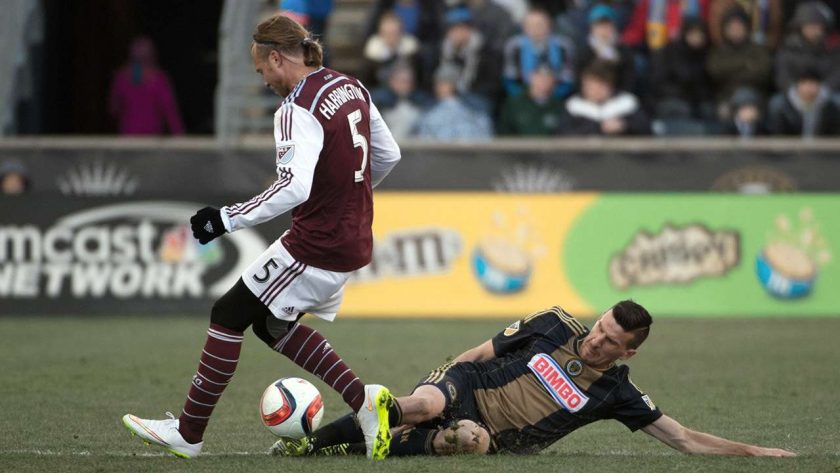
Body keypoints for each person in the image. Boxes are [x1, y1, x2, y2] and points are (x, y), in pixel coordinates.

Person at [121, 15, 402, 460]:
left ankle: (189, 434)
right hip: (350, 239)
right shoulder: (350, 86)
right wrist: (346, 199)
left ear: (276, 57)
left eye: (262, 71)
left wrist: (225, 219)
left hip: (316, 243)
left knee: (227, 312)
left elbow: (293, 188)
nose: (264, 81)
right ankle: (365, 402)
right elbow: (388, 155)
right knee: (272, 325)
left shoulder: (296, 107)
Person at [270, 302, 796, 458]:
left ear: (628, 352)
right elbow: (481, 351)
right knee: (423, 404)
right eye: (600, 328)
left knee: (469, 443)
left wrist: (758, 453)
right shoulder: (555, 323)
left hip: (492, 436)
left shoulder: (617, 392)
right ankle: (311, 444)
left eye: (611, 342)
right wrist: (442, 376)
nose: (596, 341)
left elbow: (682, 439)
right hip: (467, 383)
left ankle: (362, 446)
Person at [109, 36, 185, 136]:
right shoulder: (159, 79)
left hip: (129, 138)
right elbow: (170, 110)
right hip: (150, 140)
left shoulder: (121, 78)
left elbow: (114, 109)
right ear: (152, 56)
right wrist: (180, 135)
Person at [558, 60, 651, 135]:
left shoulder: (626, 103)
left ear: (609, 86)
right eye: (590, 86)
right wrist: (598, 128)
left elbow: (645, 129)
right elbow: (563, 134)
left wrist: (624, 125)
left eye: (599, 86)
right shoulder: (574, 106)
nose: (595, 91)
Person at [649, 17, 715, 123]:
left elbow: (707, 85)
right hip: (670, 98)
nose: (696, 38)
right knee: (680, 110)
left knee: (708, 110)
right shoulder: (669, 53)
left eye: (700, 35)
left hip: (697, 101)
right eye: (693, 34)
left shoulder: (706, 55)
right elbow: (659, 83)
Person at [503, 8, 576, 99]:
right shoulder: (514, 46)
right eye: (530, 25)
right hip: (523, 95)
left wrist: (553, 97)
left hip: (556, 96)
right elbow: (510, 78)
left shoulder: (563, 46)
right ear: (524, 27)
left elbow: (567, 78)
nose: (535, 29)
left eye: (540, 24)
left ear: (550, 26)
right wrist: (524, 96)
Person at [706, 7, 772, 106]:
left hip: (754, 96)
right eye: (731, 28)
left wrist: (729, 70)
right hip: (724, 96)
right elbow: (715, 72)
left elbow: (762, 73)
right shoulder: (719, 50)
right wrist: (745, 65)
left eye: (739, 27)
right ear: (725, 30)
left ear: (746, 28)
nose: (735, 31)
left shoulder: (758, 49)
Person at [774, 1, 840, 92]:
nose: (813, 29)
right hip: (795, 94)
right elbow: (782, 76)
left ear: (824, 27)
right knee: (777, 103)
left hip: (826, 94)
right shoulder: (789, 47)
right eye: (809, 25)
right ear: (800, 26)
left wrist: (822, 91)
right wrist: (796, 92)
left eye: (817, 25)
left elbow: (837, 74)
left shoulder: (832, 47)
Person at [415, 65, 494, 141]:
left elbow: (485, 135)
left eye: (444, 83)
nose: (438, 87)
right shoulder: (428, 112)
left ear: (454, 85)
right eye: (438, 83)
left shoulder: (474, 111)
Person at [575, 4, 637, 93]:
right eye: (599, 26)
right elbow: (578, 80)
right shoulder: (583, 52)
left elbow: (629, 80)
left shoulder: (624, 51)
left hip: (618, 98)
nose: (603, 30)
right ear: (592, 28)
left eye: (607, 25)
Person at [767, 69, 840, 137]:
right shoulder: (783, 107)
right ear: (798, 85)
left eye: (812, 84)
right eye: (804, 83)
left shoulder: (830, 107)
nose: (808, 88)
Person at [498, 66, 563, 136]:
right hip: (519, 146)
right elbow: (504, 131)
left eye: (548, 77)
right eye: (540, 77)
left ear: (553, 81)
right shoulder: (515, 104)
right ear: (531, 78)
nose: (543, 81)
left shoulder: (559, 106)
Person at [621, 0, 711, 51]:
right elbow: (637, 28)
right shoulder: (651, 3)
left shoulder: (699, 3)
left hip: (692, 50)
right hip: (660, 50)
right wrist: (623, 42)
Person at [361, 11, 420, 87]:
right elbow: (368, 80)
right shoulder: (373, 51)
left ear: (401, 32)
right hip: (381, 89)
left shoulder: (411, 49)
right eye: (388, 33)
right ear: (381, 34)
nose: (391, 37)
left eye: (395, 33)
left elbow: (418, 76)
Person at [708, 0, 783, 50]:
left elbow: (776, 24)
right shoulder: (723, 3)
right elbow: (716, 28)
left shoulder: (770, 2)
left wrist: (769, 47)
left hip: (764, 49)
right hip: (732, 50)